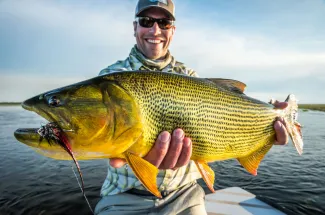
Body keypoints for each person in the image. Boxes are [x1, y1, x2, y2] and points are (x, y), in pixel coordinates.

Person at [95, 0, 289, 214]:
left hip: (185, 194)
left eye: (164, 22)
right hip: (124, 196)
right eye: (146, 21)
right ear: (135, 27)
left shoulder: (190, 77)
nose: (155, 29)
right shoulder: (110, 78)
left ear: (173, 30)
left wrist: (270, 123)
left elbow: (223, 120)